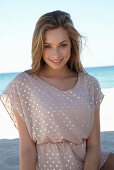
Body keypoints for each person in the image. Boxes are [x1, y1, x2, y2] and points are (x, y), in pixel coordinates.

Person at [0, 10, 114, 170]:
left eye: (63, 45)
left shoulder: (90, 84)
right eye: (48, 46)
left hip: (90, 163)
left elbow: (94, 146)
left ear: (72, 44)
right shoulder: (23, 85)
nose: (56, 54)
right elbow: (27, 149)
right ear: (39, 46)